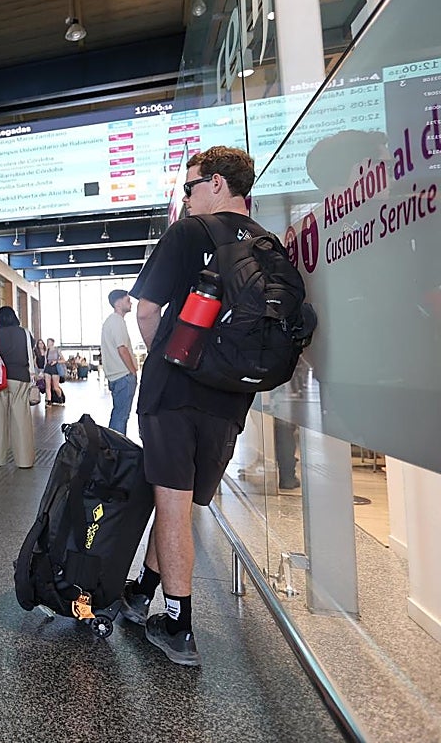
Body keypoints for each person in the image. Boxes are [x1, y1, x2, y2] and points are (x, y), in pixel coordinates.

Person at [123, 146, 266, 667]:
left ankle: (180, 625)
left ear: (218, 185)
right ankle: (142, 593)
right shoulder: (267, 244)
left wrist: (167, 357)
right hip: (230, 401)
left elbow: (145, 312)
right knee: (179, 504)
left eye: (190, 187)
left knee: (172, 502)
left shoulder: (188, 234)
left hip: (175, 392)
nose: (185, 199)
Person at [0, 307, 37, 469]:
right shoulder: (25, 333)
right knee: (22, 419)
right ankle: (24, 460)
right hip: (21, 378)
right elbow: (31, 355)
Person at [100, 289, 139, 435]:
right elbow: (122, 349)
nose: (131, 303)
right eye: (127, 300)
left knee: (118, 414)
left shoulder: (110, 322)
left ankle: (113, 447)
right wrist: (133, 371)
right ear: (118, 303)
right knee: (121, 416)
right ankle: (117, 451)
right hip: (123, 376)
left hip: (115, 376)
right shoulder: (117, 321)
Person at [41, 338, 64, 404]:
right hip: (48, 368)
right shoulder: (47, 351)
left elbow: (63, 360)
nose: (48, 343)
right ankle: (49, 401)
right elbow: (45, 362)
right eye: (47, 342)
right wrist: (43, 371)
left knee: (55, 387)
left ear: (52, 343)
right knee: (48, 386)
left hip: (55, 368)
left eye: (49, 342)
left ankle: (60, 398)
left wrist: (56, 361)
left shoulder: (57, 350)